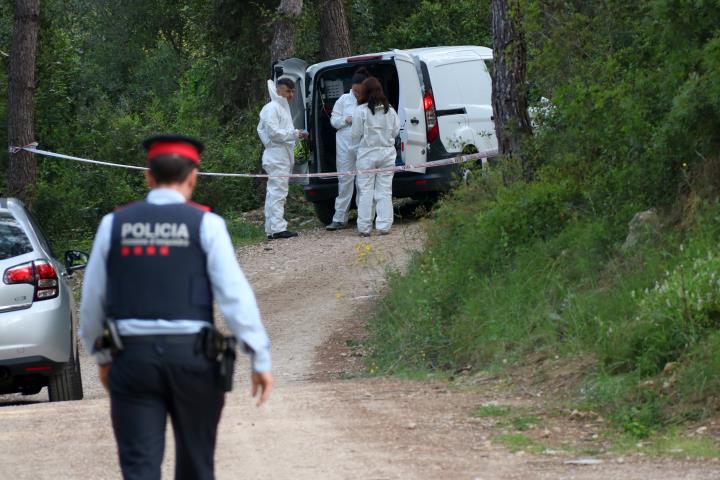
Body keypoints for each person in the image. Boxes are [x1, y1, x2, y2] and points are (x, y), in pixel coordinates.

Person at [79, 134, 273, 480]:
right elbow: (234, 296)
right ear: (193, 177)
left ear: (148, 177)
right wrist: (259, 355)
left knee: (140, 469)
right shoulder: (207, 225)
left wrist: (103, 357)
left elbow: (93, 302)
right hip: (194, 362)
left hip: (132, 360)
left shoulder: (114, 225)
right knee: (197, 467)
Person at [257, 77, 308, 240]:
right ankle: (278, 228)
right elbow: (273, 133)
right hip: (276, 156)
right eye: (288, 91)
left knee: (274, 192)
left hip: (280, 155)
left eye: (293, 91)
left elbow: (277, 132)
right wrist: (294, 134)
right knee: (278, 192)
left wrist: (296, 134)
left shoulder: (281, 108)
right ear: (279, 90)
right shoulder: (272, 108)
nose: (291, 94)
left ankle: (271, 228)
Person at [351, 77, 400, 236]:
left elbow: (355, 134)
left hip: (367, 154)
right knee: (384, 191)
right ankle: (384, 226)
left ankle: (364, 227)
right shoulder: (390, 110)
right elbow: (396, 131)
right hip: (387, 154)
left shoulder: (361, 111)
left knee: (366, 191)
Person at [326, 67, 370, 231]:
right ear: (352, 87)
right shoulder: (343, 100)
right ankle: (339, 218)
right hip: (344, 144)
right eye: (355, 91)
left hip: (363, 144)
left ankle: (364, 217)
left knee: (363, 181)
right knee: (345, 180)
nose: (357, 94)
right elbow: (334, 120)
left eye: (360, 91)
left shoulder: (368, 100)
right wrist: (346, 119)